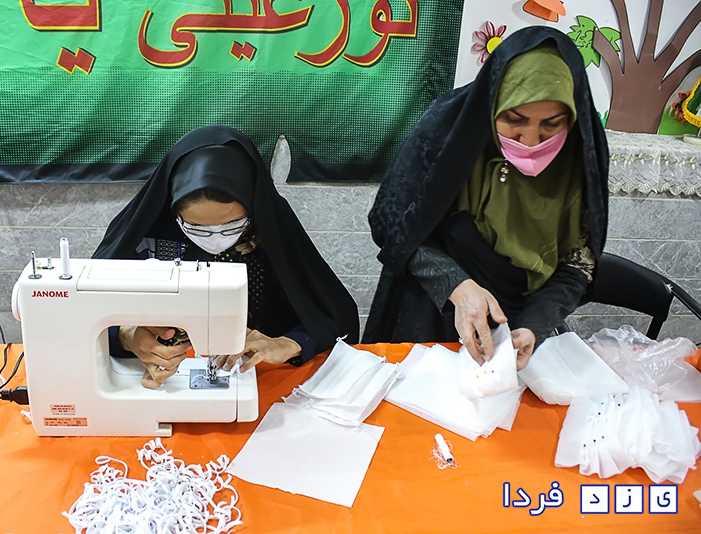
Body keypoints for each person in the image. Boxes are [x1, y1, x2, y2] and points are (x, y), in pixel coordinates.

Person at [362, 27, 609, 371]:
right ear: (493, 103)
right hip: (432, 304)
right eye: (513, 119)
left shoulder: (580, 158)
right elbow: (390, 223)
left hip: (519, 319)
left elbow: (577, 264)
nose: (530, 140)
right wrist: (456, 285)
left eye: (551, 124)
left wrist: (534, 326)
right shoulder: (448, 128)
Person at [93, 125, 359, 388]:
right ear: (173, 211)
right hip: (159, 370)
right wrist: (125, 336)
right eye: (196, 227)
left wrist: (290, 343)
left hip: (256, 373)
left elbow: (334, 317)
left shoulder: (272, 230)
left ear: (253, 206)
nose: (216, 239)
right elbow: (85, 310)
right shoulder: (144, 232)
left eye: (232, 225)